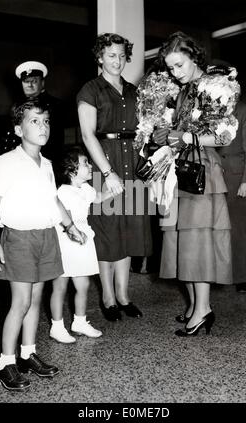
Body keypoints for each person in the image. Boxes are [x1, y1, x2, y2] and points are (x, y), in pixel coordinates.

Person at [0, 98, 85, 391]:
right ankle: (5, 362)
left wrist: (70, 225)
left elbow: (53, 200)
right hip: (19, 238)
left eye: (46, 121)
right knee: (21, 301)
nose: (43, 127)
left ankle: (27, 353)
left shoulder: (48, 164)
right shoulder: (5, 162)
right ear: (18, 129)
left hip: (45, 237)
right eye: (34, 121)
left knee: (36, 300)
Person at [154, 32, 238, 336]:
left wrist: (187, 137)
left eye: (180, 65)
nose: (175, 73)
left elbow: (225, 135)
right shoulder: (184, 90)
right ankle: (193, 304)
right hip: (181, 168)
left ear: (194, 58)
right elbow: (180, 130)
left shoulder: (215, 86)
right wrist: (167, 135)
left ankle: (203, 309)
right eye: (171, 68)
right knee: (181, 240)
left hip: (202, 169)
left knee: (198, 241)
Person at [77, 33, 152, 321]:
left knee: (129, 231)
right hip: (104, 165)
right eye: (111, 55)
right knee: (107, 233)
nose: (117, 60)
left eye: (121, 55)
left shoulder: (135, 91)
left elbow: (144, 129)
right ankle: (108, 298)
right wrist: (107, 173)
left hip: (132, 163)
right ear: (100, 57)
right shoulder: (90, 89)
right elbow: (87, 134)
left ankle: (123, 295)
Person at [50, 146, 117, 342]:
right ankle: (57, 326)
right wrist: (71, 232)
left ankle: (79, 322)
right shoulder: (62, 192)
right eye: (85, 163)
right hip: (66, 240)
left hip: (83, 240)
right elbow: (61, 217)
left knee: (83, 284)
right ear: (71, 170)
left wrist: (114, 190)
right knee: (60, 286)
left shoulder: (85, 188)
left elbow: (98, 198)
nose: (90, 166)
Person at [218, 100, 246, 293]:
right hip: (213, 176)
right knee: (216, 230)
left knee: (238, 229)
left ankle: (241, 277)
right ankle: (219, 274)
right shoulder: (210, 109)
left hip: (237, 179)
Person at [7, 60, 65, 162]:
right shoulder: (17, 106)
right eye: (26, 81)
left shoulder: (55, 105)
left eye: (34, 81)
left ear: (42, 83)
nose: (29, 85)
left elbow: (56, 140)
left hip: (48, 159)